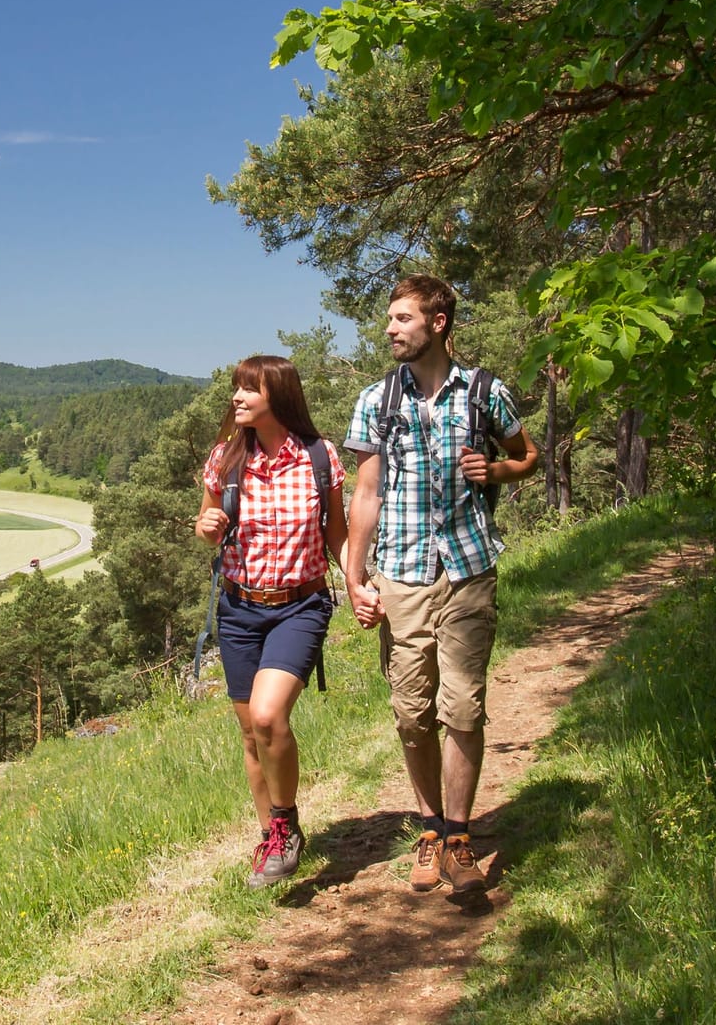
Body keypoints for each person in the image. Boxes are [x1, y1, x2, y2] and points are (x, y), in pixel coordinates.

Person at [343, 274, 538, 896]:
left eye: (402, 318)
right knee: (411, 713)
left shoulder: (485, 392)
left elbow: (525, 455)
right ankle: (428, 828)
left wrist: (499, 469)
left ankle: (457, 836)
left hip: (467, 568)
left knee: (463, 707)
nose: (391, 329)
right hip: (399, 574)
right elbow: (366, 494)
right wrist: (354, 576)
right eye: (390, 319)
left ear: (438, 323)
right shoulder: (375, 401)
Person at [196, 355, 347, 887]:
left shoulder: (319, 457)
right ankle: (275, 841)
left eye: (247, 389)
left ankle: (282, 824)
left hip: (300, 606)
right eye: (236, 388)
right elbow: (208, 525)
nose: (236, 397)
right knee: (249, 735)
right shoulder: (225, 458)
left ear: (277, 396)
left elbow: (338, 532)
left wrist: (359, 582)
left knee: (266, 717)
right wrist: (209, 524)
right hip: (238, 609)